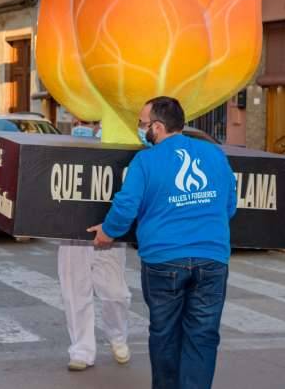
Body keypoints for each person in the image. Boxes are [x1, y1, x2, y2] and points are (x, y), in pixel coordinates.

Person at [88, 97, 237, 389]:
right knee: (203, 335)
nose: (142, 131)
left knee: (165, 332)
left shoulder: (146, 160)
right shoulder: (214, 154)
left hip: (163, 261)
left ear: (157, 127)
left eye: (143, 125)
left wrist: (108, 231)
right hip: (212, 259)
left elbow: (126, 205)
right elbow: (229, 205)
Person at [59, 119, 131, 371]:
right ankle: (81, 350)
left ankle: (118, 336)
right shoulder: (70, 145)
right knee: (75, 292)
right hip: (73, 233)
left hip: (109, 232)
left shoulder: (130, 140)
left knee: (116, 293)